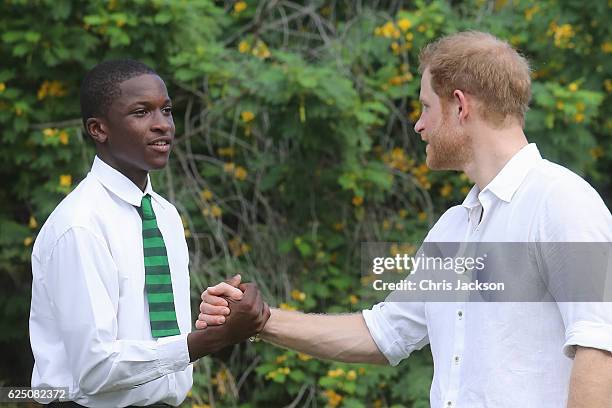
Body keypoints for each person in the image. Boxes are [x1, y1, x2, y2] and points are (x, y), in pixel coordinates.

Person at [197, 31, 612, 407]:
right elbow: (385, 334)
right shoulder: (453, 228)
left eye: (426, 107)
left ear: (460, 105)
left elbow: (600, 346)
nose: (419, 125)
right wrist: (261, 320)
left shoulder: (562, 201)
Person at [29, 59, 269, 408]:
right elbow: (96, 370)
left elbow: (156, 338)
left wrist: (216, 319)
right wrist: (208, 341)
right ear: (99, 129)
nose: (162, 126)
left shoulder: (164, 215)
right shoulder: (80, 225)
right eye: (141, 113)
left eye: (167, 110)